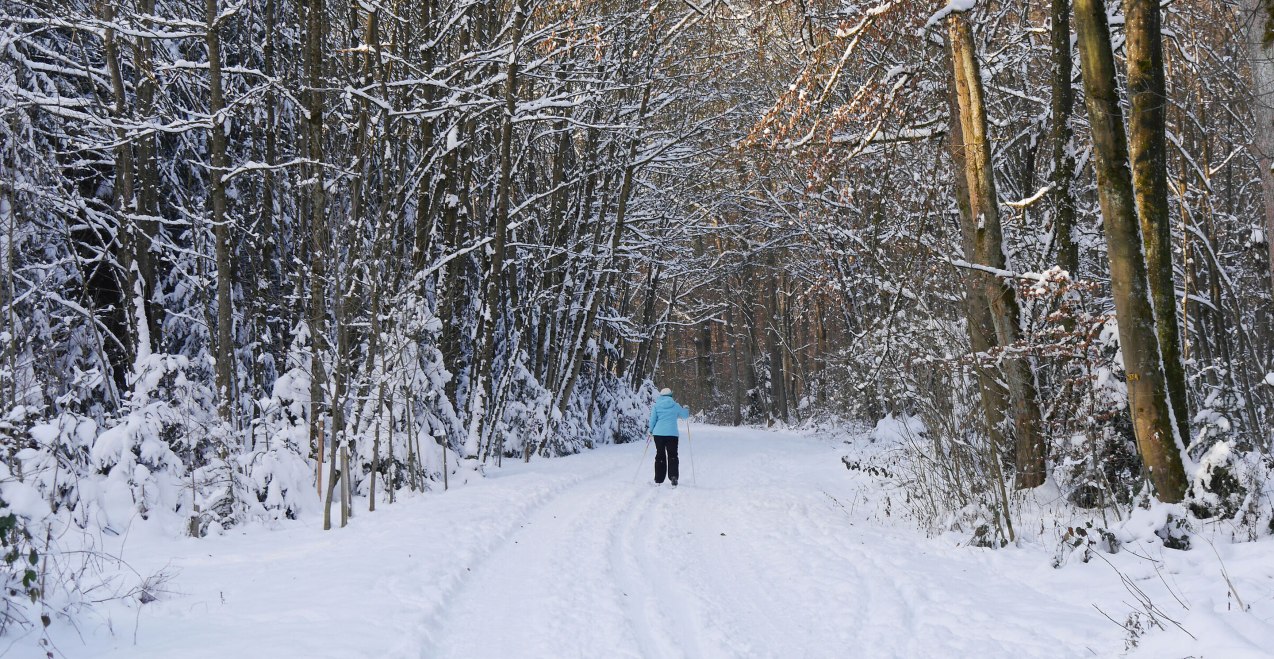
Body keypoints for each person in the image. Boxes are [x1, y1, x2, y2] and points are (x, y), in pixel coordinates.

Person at [648, 387, 689, 487]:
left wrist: (651, 431)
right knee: (673, 456)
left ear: (661, 396)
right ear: (671, 395)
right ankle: (673, 476)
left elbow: (652, 420)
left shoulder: (656, 406)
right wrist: (687, 408)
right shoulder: (675, 405)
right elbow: (685, 416)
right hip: (672, 434)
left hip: (658, 434)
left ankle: (659, 479)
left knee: (660, 455)